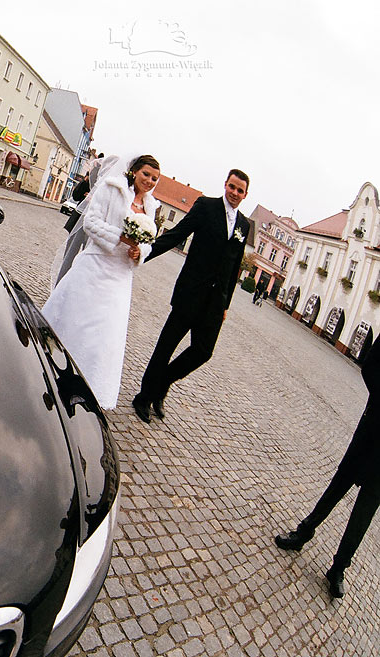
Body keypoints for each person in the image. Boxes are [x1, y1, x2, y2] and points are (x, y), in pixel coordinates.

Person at [41, 154, 161, 410]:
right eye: (146, 174)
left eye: (154, 178)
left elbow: (149, 242)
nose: (150, 181)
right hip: (96, 265)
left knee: (107, 333)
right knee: (77, 321)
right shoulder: (112, 188)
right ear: (134, 171)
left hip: (120, 276)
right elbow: (91, 223)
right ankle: (55, 370)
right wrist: (119, 237)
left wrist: (140, 252)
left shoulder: (151, 206)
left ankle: (91, 387)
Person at [131, 169, 251, 422]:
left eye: (240, 190)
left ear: (245, 194)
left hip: (215, 303)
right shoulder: (206, 207)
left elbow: (234, 267)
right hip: (191, 293)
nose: (235, 193)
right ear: (225, 185)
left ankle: (162, 383)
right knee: (166, 346)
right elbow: (177, 234)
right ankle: (144, 397)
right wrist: (144, 251)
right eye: (232, 187)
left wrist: (226, 304)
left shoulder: (243, 225)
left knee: (203, 351)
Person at [274, 342, 380, 599]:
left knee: (365, 512)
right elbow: (373, 364)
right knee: (338, 485)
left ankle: (339, 568)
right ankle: (303, 532)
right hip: (373, 429)